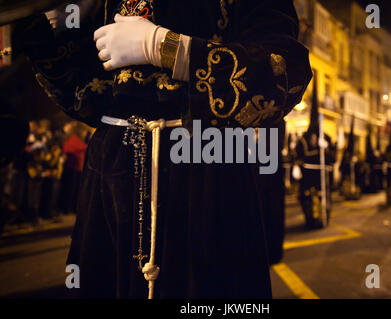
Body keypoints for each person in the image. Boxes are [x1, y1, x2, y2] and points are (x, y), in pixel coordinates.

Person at [18, 0, 312, 298]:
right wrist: (50, 33)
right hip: (113, 167)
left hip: (209, 164)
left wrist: (168, 48)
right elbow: (86, 96)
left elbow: (285, 71)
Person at [295, 77, 334, 229]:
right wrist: (297, 166)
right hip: (307, 175)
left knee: (323, 197)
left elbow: (331, 158)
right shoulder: (303, 139)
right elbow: (298, 155)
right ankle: (310, 219)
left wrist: (327, 148)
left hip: (321, 175)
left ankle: (322, 218)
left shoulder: (326, 138)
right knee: (307, 198)